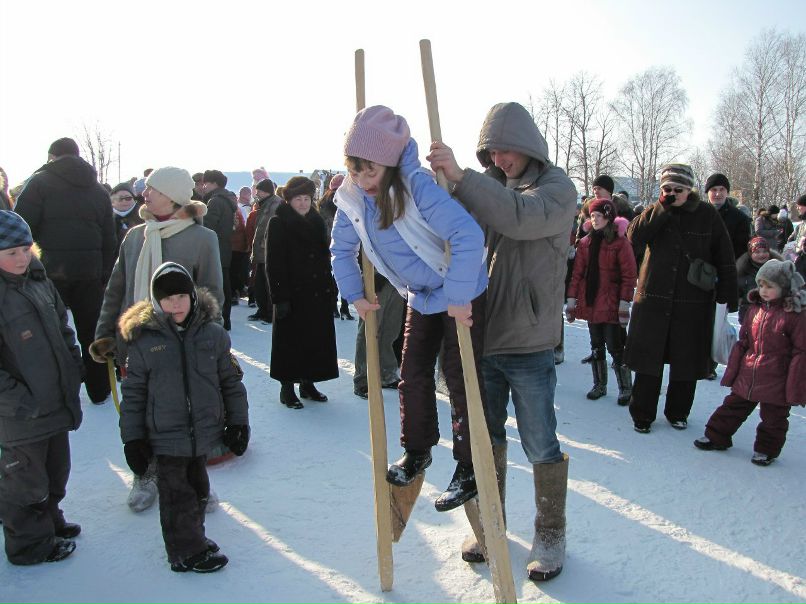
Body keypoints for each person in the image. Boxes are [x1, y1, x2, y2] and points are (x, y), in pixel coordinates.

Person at [427, 101, 576, 581]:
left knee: (539, 442)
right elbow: (451, 228)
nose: (501, 158)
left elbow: (518, 218)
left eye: (508, 149)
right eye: (493, 150)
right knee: (483, 439)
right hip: (482, 332)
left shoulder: (556, 189)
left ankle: (550, 535)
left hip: (529, 341)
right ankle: (490, 525)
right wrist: (441, 190)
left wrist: (465, 179)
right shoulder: (487, 184)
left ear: (529, 145)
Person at [332, 106, 488, 512]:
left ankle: (469, 466)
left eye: (372, 170)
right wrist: (355, 295)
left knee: (458, 378)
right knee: (412, 373)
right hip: (419, 295)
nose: (365, 180)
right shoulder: (352, 197)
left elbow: (468, 235)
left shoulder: (416, 187)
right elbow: (341, 250)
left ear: (389, 164)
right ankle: (417, 450)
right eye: (356, 169)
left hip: (460, 292)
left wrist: (457, 299)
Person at [90, 166, 224, 512]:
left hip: (183, 345)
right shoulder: (135, 236)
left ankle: (197, 482)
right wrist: (106, 333)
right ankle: (144, 473)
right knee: (140, 411)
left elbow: (213, 294)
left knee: (182, 412)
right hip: (135, 341)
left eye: (152, 189)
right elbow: (116, 289)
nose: (144, 194)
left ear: (174, 195)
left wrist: (210, 343)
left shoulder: (201, 238)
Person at [119, 262, 249, 572]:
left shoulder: (213, 335)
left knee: (199, 488)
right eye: (166, 298)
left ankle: (194, 536)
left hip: (203, 432)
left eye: (181, 296)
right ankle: (186, 551)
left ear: (192, 296)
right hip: (165, 435)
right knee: (177, 497)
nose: (175, 304)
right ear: (155, 301)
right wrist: (133, 438)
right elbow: (133, 394)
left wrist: (239, 422)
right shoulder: (144, 342)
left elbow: (231, 381)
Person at [624, 164, 738, 433]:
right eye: (667, 189)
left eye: (678, 189)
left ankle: (678, 411)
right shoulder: (655, 211)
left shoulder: (707, 214)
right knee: (648, 360)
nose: (672, 193)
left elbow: (724, 255)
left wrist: (728, 296)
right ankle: (642, 413)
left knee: (686, 361)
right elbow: (634, 236)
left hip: (693, 301)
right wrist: (661, 207)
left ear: (690, 190)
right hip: (653, 299)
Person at [0, 211, 83, 565]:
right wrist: (20, 401)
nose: (21, 258)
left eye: (25, 249)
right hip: (19, 414)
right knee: (23, 483)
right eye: (11, 253)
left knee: (55, 472)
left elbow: (63, 327)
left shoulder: (39, 281)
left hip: (53, 402)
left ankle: (49, 521)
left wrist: (74, 364)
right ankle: (29, 545)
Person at [14, 137, 116, 404]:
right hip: (90, 274)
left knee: (49, 333)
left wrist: (27, 269)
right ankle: (99, 388)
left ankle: (56, 391)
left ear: (52, 156)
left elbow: (21, 228)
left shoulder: (39, 183)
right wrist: (103, 274)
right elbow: (109, 238)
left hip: (47, 274)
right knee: (92, 330)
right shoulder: (98, 190)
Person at [694, 259, 805, 466]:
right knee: (732, 406)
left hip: (776, 377)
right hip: (749, 372)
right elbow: (744, 342)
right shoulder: (755, 309)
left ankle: (766, 450)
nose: (763, 290)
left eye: (770, 286)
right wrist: (734, 371)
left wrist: (795, 384)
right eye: (761, 284)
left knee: (774, 418)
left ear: (784, 287)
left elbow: (801, 351)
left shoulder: (794, 315)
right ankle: (717, 436)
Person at [267, 176, 339, 408]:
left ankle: (308, 383)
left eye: (306, 198)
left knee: (314, 340)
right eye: (298, 199)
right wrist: (280, 298)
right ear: (289, 201)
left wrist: (330, 289)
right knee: (290, 342)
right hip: (292, 294)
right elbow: (274, 263)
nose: (303, 203)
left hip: (316, 292)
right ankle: (286, 388)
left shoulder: (317, 221)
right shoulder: (279, 222)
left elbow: (324, 259)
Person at [566, 198, 637, 404]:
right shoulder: (586, 243)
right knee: (596, 346)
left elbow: (629, 274)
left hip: (611, 303)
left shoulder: (620, 242)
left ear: (608, 217)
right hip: (591, 302)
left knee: (615, 346)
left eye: (599, 216)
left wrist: (624, 302)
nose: (595, 220)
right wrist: (572, 300)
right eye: (592, 216)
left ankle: (625, 387)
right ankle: (599, 385)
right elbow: (577, 274)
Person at [201, 170, 237, 330]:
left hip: (216, 249)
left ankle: (220, 320)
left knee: (218, 287)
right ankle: (225, 319)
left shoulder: (215, 201)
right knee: (224, 286)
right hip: (225, 247)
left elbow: (208, 226)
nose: (203, 186)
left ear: (214, 183)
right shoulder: (226, 199)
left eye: (206, 183)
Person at [317, 174, 355, 320]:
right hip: (344, 242)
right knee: (345, 274)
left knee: (333, 275)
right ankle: (343, 307)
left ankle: (333, 306)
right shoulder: (343, 201)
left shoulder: (323, 202)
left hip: (326, 243)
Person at [246, 178, 282, 322]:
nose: (256, 193)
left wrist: (263, 244)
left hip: (268, 250)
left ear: (265, 191)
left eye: (259, 190)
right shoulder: (265, 203)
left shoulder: (274, 204)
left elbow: (269, 226)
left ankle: (269, 313)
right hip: (262, 250)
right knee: (260, 282)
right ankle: (262, 310)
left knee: (268, 283)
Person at [704, 173, 751, 265]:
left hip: (727, 268)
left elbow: (741, 249)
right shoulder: (698, 214)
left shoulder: (739, 218)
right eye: (714, 190)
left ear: (727, 192)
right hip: (700, 270)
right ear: (707, 192)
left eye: (722, 189)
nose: (718, 194)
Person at [736, 237, 782, 324]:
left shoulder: (777, 269)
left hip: (773, 316)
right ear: (750, 253)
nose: (761, 255)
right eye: (757, 252)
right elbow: (737, 291)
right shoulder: (743, 271)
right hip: (749, 315)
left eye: (765, 251)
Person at [109, 182, 144, 258]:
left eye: (128, 198)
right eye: (120, 199)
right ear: (112, 201)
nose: (124, 201)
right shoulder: (106, 218)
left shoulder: (143, 217)